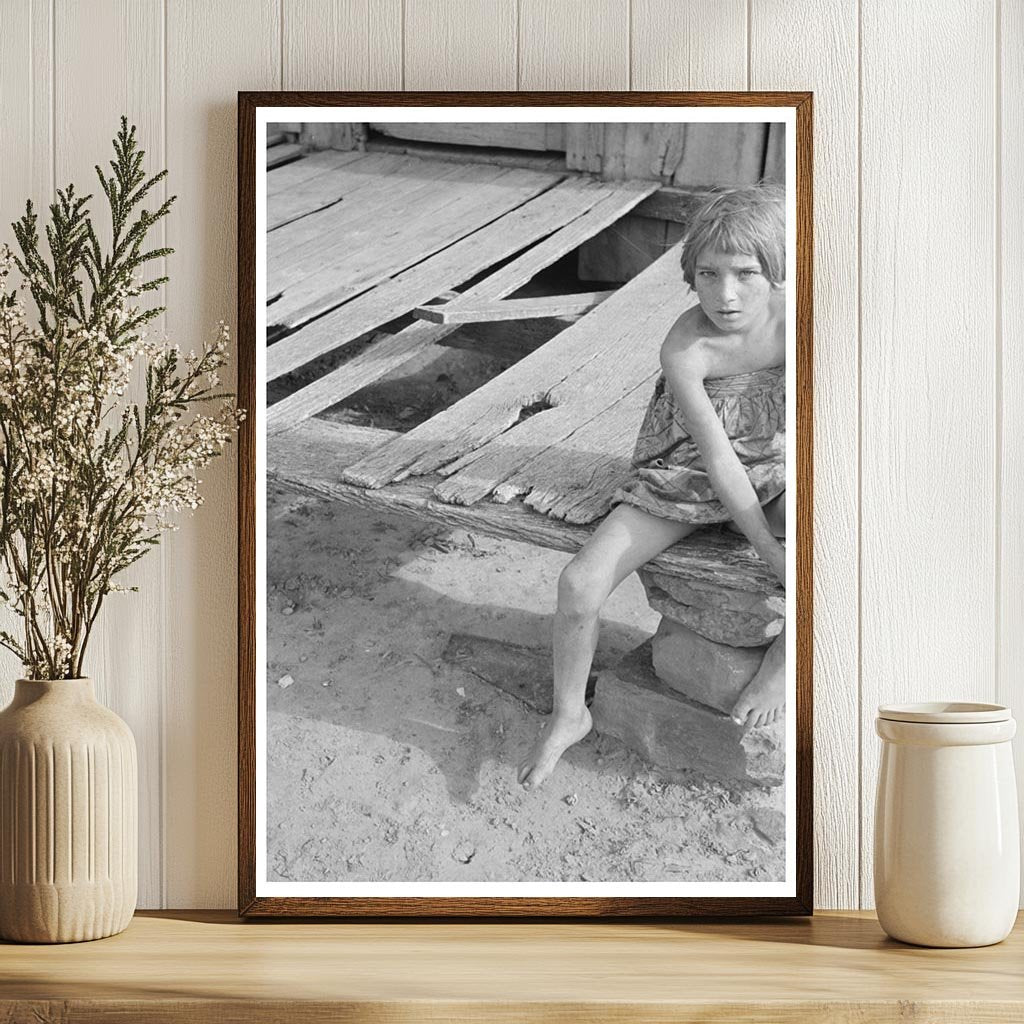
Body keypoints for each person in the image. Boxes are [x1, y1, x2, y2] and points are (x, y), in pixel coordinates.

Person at [518, 183, 788, 791]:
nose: (726, 294)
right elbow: (717, 461)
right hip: (688, 470)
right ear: (689, 276)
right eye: (708, 273)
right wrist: (768, 551)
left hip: (778, 462)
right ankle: (569, 713)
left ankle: (784, 657)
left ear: (775, 271)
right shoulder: (686, 345)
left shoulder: (800, 322)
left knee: (833, 527)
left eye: (746, 273)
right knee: (579, 581)